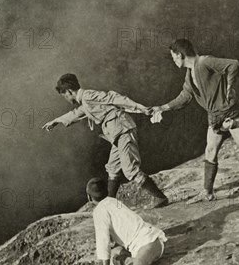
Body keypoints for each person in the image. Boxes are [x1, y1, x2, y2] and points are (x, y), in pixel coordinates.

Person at [151, 39, 239, 203]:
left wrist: (229, 87)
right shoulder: (189, 74)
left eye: (173, 57)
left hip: (230, 113)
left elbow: (233, 65)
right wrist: (162, 108)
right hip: (214, 117)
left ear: (180, 55)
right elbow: (185, 97)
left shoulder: (204, 61)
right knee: (210, 151)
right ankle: (207, 192)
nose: (173, 61)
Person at [43, 74, 168, 207]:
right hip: (116, 134)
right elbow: (77, 113)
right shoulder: (85, 101)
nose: (66, 99)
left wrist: (139, 107)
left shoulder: (88, 96)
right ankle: (110, 205)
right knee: (113, 168)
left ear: (68, 91)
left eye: (65, 95)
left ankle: (159, 197)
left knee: (130, 169)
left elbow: (114, 97)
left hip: (122, 130)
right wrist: (56, 121)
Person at [86, 177, 167, 265]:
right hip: (145, 240)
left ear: (89, 197)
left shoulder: (99, 211)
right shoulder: (113, 201)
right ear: (106, 191)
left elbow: (102, 238)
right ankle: (130, 263)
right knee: (117, 254)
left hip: (148, 242)